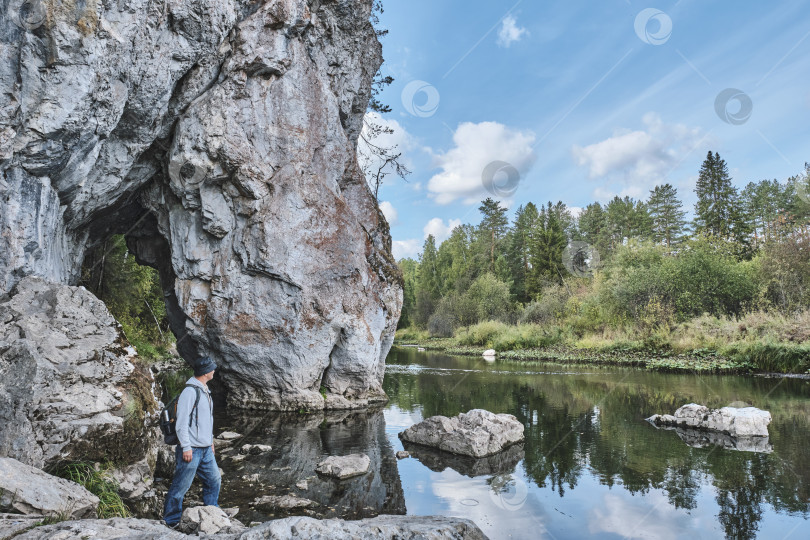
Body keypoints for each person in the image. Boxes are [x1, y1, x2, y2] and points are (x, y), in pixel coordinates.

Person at [163, 356, 220, 527]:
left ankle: (212, 511)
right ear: (205, 372)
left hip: (205, 449)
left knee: (214, 479)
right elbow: (181, 423)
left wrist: (210, 441)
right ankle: (171, 521)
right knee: (181, 486)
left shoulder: (205, 389)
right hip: (192, 450)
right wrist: (186, 446)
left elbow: (206, 420)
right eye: (212, 368)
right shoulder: (190, 391)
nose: (214, 371)